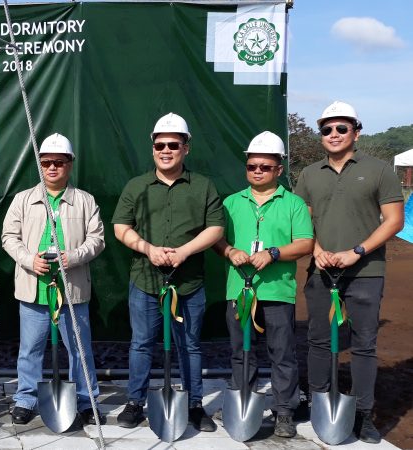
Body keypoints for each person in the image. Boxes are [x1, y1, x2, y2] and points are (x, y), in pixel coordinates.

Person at [294, 101, 404, 444]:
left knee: (364, 345)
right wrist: (318, 252)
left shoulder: (379, 170)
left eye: (342, 128)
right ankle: (316, 400)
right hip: (321, 270)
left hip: (366, 271)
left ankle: (362, 413)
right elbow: (302, 222)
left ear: (356, 131)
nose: (334, 134)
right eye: (327, 129)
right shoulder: (310, 174)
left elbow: (395, 220)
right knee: (318, 340)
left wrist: (357, 251)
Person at [111, 112, 224, 432]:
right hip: (145, 281)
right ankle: (135, 402)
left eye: (173, 144)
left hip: (189, 283)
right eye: (160, 144)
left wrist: (185, 252)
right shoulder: (136, 186)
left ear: (186, 147)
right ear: (153, 148)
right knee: (141, 344)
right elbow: (121, 226)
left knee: (189, 345)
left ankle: (194, 405)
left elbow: (216, 228)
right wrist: (148, 249)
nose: (166, 150)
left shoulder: (203, 186)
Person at [212, 131, 313, 438]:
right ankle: (242, 400)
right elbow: (217, 238)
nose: (257, 171)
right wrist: (230, 251)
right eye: (252, 166)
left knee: (282, 353)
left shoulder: (293, 203)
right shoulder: (231, 202)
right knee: (241, 351)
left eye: (265, 167)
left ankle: (284, 411)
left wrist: (274, 253)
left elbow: (306, 243)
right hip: (240, 291)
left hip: (277, 292)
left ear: (278, 169)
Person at [1, 133, 106, 426]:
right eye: (46, 162)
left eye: (59, 162)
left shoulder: (85, 201)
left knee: (79, 348)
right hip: (34, 289)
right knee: (31, 348)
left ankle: (86, 400)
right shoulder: (23, 200)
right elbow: (9, 237)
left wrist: (71, 257)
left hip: (71, 289)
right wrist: (28, 259)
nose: (52, 168)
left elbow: (97, 239)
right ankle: (26, 399)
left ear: (70, 164)